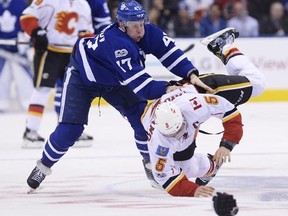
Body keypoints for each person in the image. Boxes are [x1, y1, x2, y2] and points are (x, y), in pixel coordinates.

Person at [25, 0, 212, 191]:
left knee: (143, 120)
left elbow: (169, 52)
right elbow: (142, 86)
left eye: (141, 23)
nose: (140, 30)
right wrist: (167, 87)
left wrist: (191, 74)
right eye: (134, 26)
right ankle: (43, 165)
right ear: (121, 25)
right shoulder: (118, 43)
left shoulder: (148, 31)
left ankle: (151, 165)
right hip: (83, 77)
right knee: (70, 130)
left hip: (116, 80)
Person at [140, 28, 266, 197]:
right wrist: (194, 190)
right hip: (170, 109)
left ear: (182, 117)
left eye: (179, 128)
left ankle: (223, 46)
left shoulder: (195, 105)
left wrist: (227, 145)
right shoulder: (159, 142)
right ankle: (211, 165)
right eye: (173, 133)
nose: (179, 134)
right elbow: (167, 181)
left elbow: (231, 114)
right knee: (187, 168)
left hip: (205, 89)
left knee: (257, 84)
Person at [20, 0, 95, 149]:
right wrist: (37, 32)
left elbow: (86, 33)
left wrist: (88, 50)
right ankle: (31, 131)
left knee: (71, 91)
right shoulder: (48, 1)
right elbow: (27, 16)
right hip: (50, 52)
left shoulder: (83, 4)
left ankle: (70, 130)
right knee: (43, 89)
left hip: (72, 53)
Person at [0, 0, 34, 113]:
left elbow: (27, 22)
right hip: (1, 48)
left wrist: (25, 39)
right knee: (2, 76)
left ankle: (29, 103)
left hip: (19, 47)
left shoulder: (20, 2)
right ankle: (1, 104)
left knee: (23, 76)